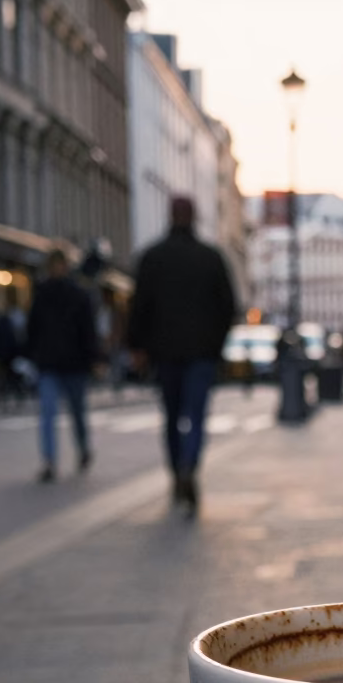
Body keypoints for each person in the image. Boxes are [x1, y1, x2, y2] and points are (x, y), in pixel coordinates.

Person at [127, 196, 236, 514]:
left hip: (165, 352)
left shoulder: (153, 257)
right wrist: (216, 345)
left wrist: (139, 346)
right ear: (194, 217)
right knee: (197, 416)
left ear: (170, 216)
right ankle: (190, 465)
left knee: (172, 417)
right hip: (201, 352)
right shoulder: (211, 258)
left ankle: (177, 471)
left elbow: (139, 306)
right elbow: (228, 307)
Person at [27, 248, 96, 482]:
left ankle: (83, 448)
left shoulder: (78, 294)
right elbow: (33, 328)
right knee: (48, 412)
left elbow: (87, 330)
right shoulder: (42, 294)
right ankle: (49, 460)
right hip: (49, 363)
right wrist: (33, 354)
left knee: (77, 412)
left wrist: (92, 358)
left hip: (74, 364)